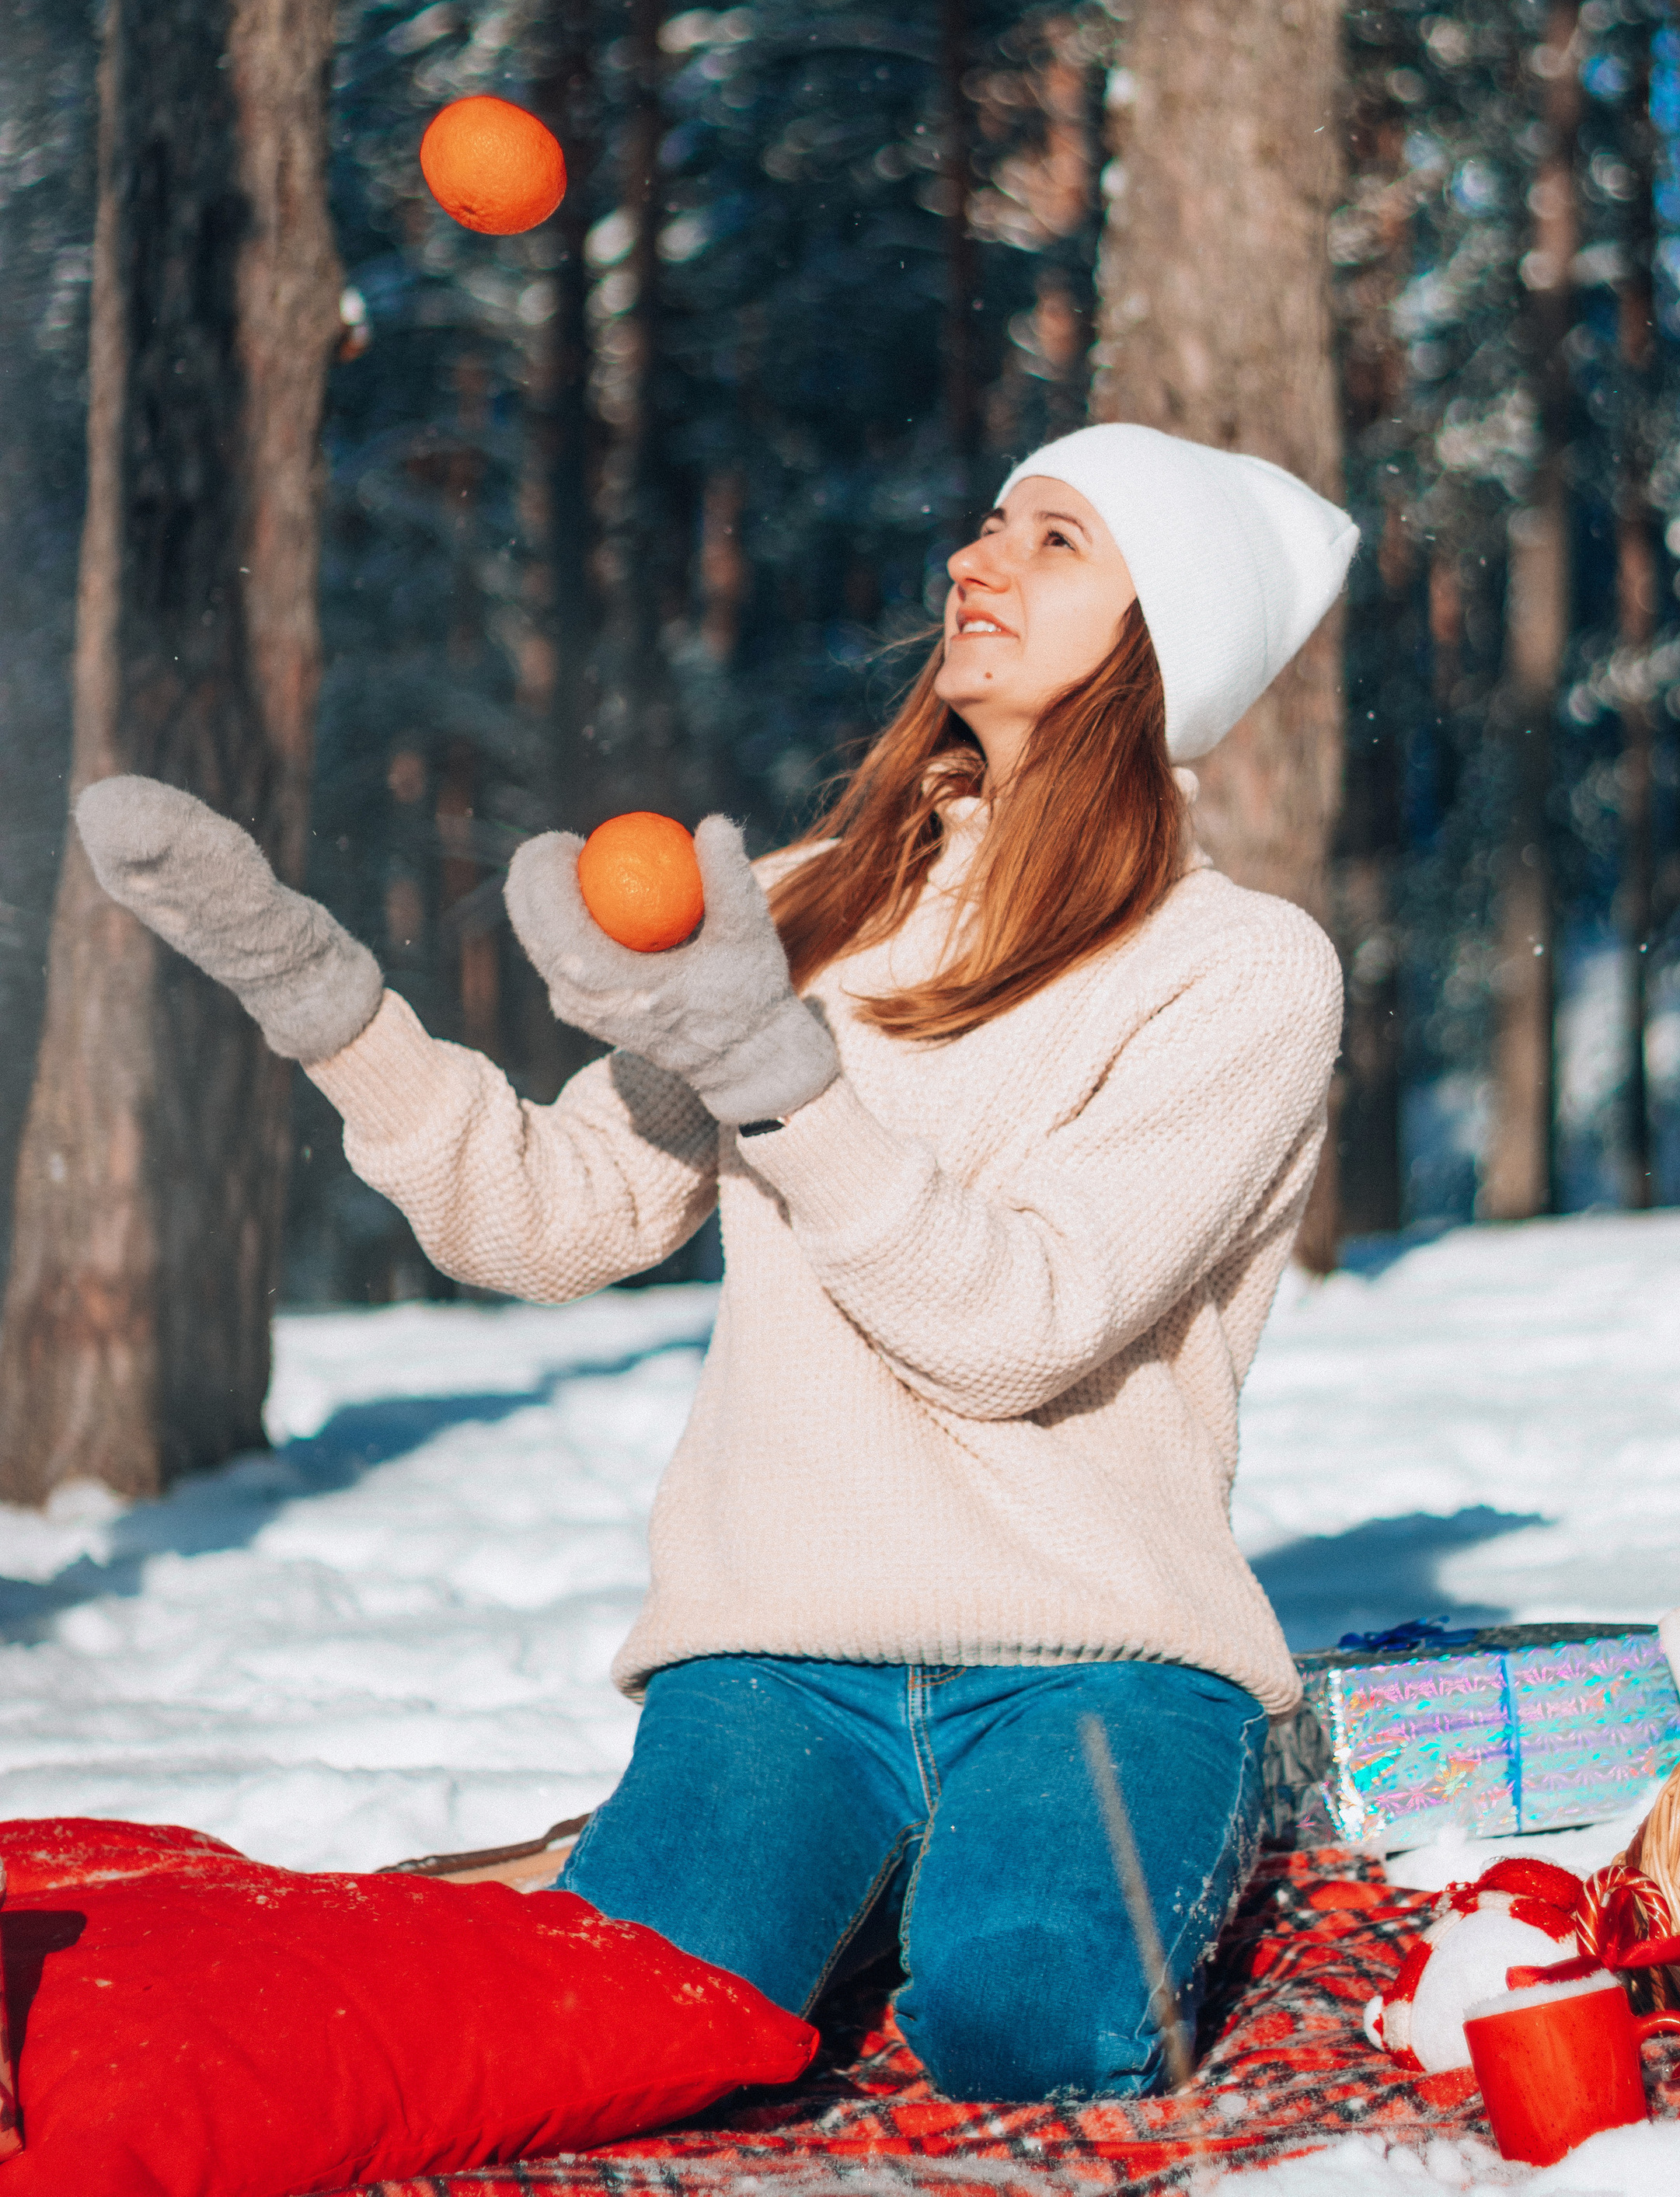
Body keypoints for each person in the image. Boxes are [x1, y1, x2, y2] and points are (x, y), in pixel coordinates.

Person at [75, 421, 1355, 2105]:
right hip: (777, 1656)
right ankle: (837, 1885)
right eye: (989, 522)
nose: (974, 560)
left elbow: (1022, 1326)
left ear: (1163, 636)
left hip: (1098, 1658)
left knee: (1024, 2024)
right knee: (618, 2023)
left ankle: (995, 1870)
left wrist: (782, 1083)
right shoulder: (804, 907)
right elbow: (549, 1219)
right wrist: (323, 1004)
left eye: (1055, 540)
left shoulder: (1241, 970)